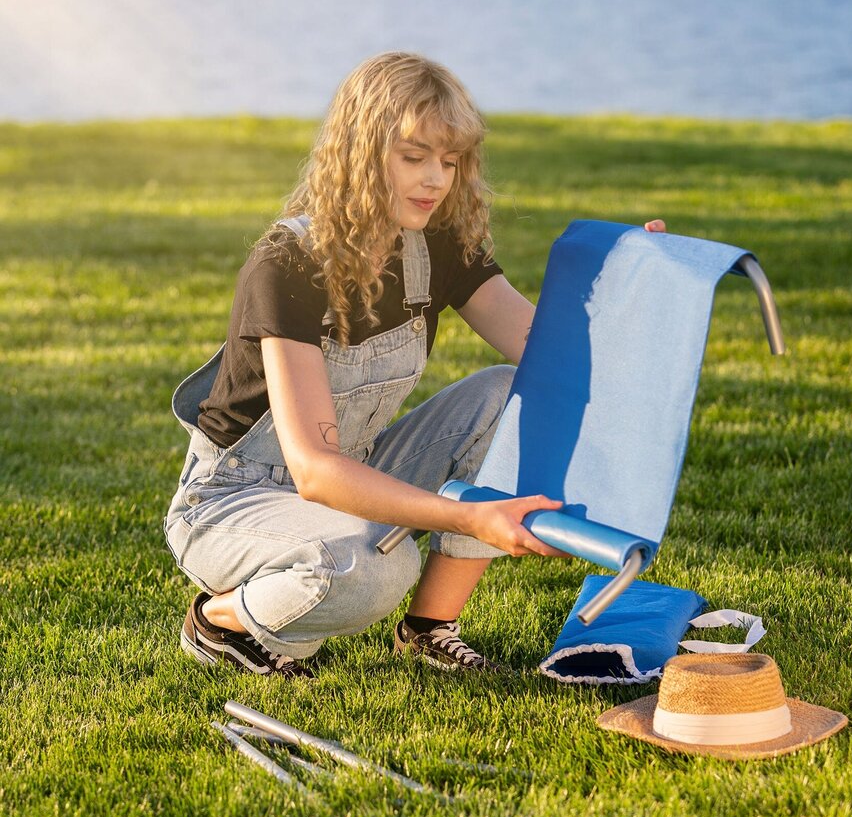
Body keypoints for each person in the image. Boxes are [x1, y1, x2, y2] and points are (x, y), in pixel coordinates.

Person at [164, 52, 665, 678]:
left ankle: (428, 629)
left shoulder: (439, 246)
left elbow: (555, 360)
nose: (436, 180)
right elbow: (316, 472)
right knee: (375, 566)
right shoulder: (286, 264)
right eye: (413, 157)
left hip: (359, 467)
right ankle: (221, 621)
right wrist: (469, 515)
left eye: (449, 161)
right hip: (237, 498)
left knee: (507, 394)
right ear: (360, 153)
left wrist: (632, 287)